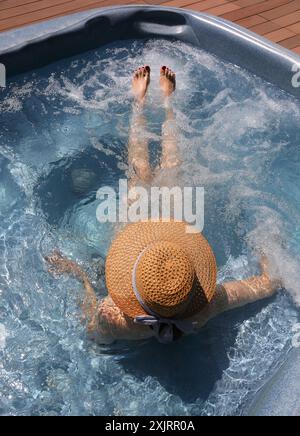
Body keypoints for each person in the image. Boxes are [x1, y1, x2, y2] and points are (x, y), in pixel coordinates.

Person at [45, 66, 281, 345]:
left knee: (148, 170)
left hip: (155, 232)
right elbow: (268, 284)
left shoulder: (117, 319)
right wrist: (267, 238)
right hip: (160, 241)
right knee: (165, 168)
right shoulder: (205, 306)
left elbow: (90, 329)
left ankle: (141, 103)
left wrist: (78, 274)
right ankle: (167, 104)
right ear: (191, 284)